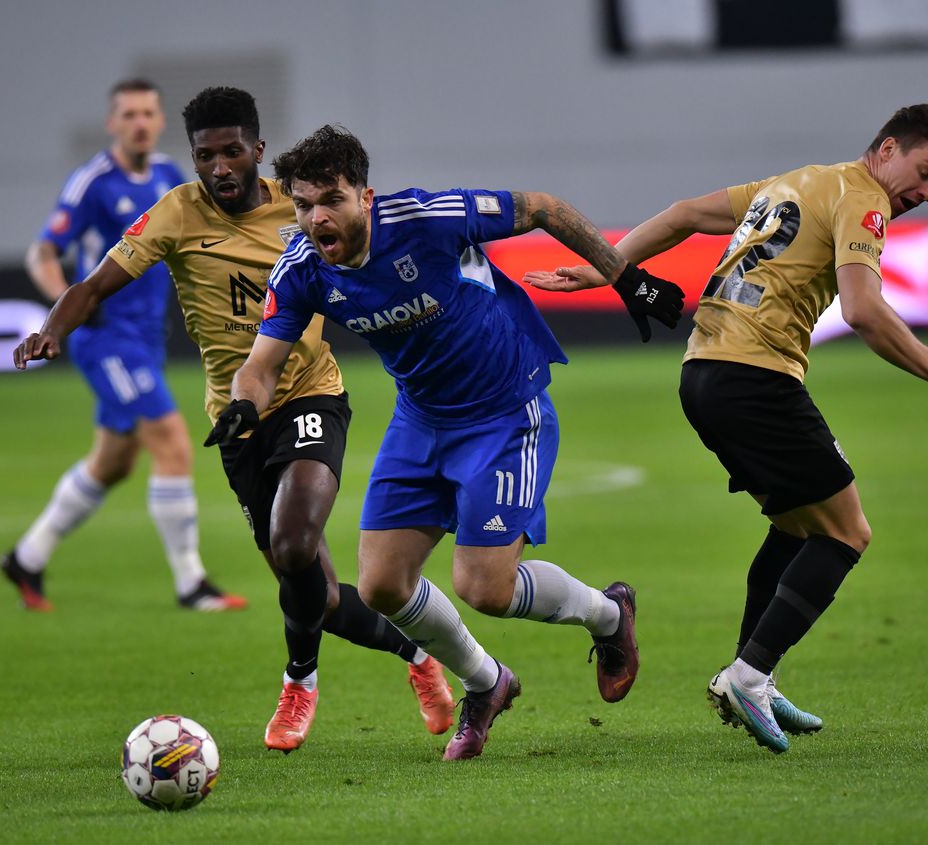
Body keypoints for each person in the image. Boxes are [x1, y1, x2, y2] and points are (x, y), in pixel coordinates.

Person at [527, 103, 928, 754]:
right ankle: (747, 675)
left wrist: (606, 266)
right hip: (754, 378)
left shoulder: (800, 182)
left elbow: (684, 214)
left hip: (703, 374)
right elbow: (863, 309)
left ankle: (758, 673)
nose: (923, 193)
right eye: (924, 172)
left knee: (796, 525)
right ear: (887, 147)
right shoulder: (863, 202)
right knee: (846, 532)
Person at [211, 125, 685, 761]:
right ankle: (487, 684)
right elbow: (261, 364)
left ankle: (608, 615)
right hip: (422, 419)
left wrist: (624, 279)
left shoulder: (428, 219)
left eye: (331, 199)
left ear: (366, 197)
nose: (316, 216)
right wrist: (244, 404)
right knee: (380, 585)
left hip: (505, 411)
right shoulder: (301, 268)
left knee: (485, 587)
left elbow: (544, 207)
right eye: (302, 204)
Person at [13, 87, 455, 752]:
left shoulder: (299, 205)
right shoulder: (175, 213)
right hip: (236, 421)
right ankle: (420, 656)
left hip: (309, 393)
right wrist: (52, 328)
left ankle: (299, 680)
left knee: (297, 534)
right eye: (205, 155)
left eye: (231, 151)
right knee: (316, 591)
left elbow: (374, 240)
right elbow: (95, 283)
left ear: (257, 150)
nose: (219, 166)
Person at [1, 78, 245, 613]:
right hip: (105, 340)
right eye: (128, 113)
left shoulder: (167, 176)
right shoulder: (92, 183)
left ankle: (27, 556)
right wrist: (70, 311)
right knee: (173, 442)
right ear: (113, 122)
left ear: (159, 122)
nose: (139, 122)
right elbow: (42, 254)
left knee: (112, 462)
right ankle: (191, 583)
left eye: (147, 113)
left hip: (144, 340)